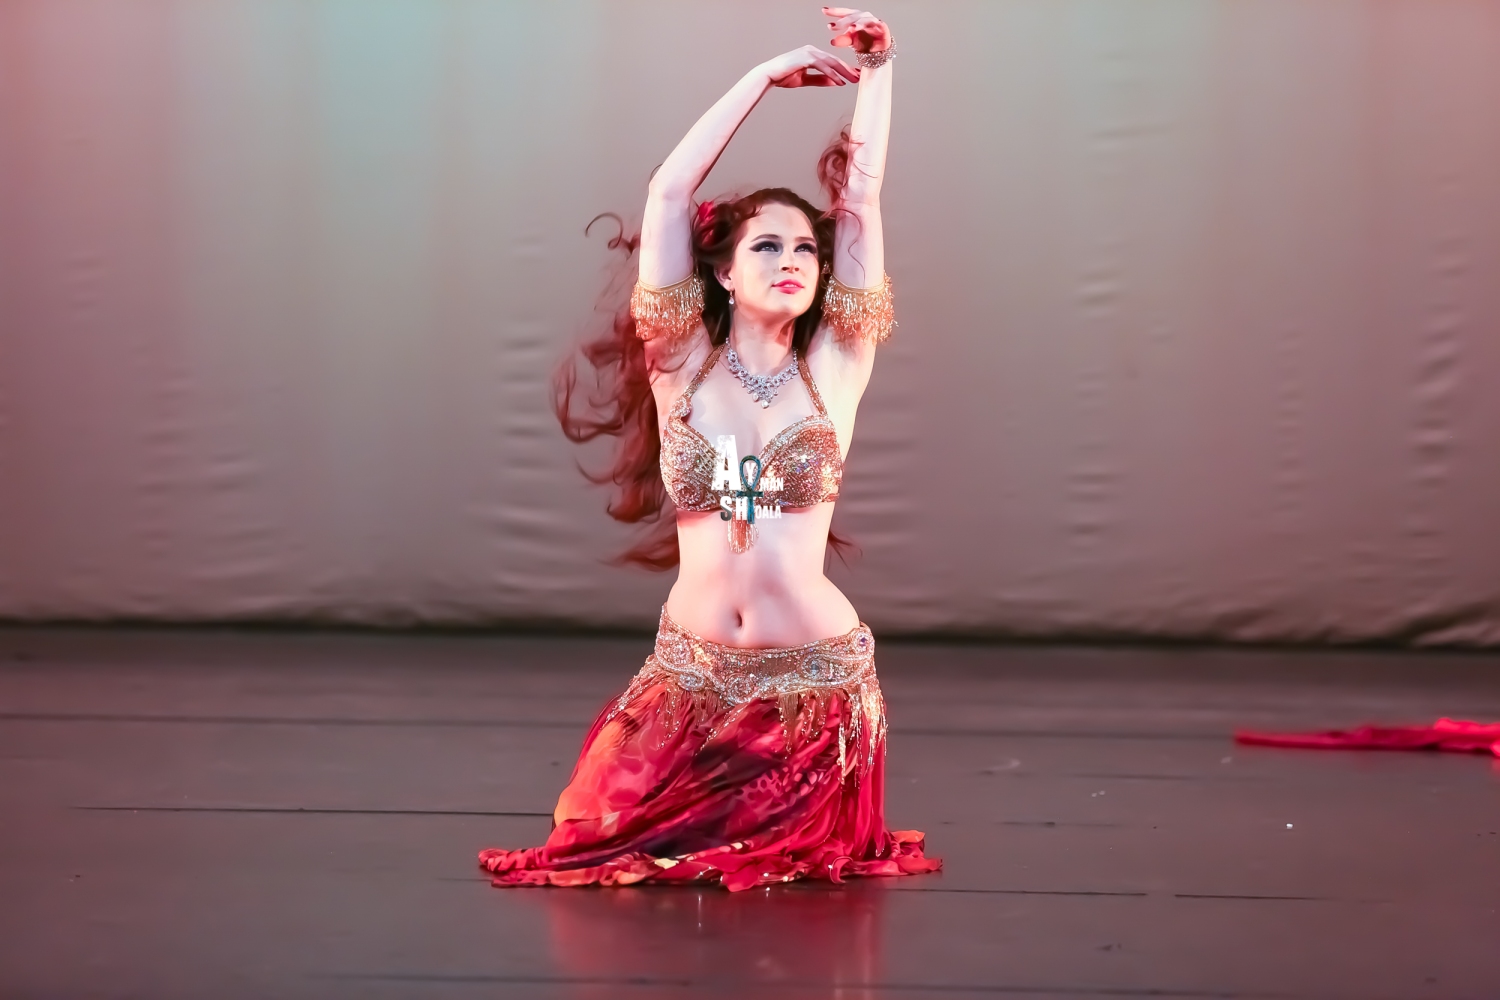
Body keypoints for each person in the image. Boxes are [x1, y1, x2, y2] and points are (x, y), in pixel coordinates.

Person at [479, 7, 940, 891]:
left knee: (776, 890)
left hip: (813, 699)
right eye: (766, 244)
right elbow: (666, 194)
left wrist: (879, 72)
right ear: (723, 272)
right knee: (598, 848)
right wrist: (761, 79)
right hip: (685, 687)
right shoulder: (680, 364)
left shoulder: (836, 368)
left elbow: (862, 202)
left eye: (804, 248)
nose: (792, 258)